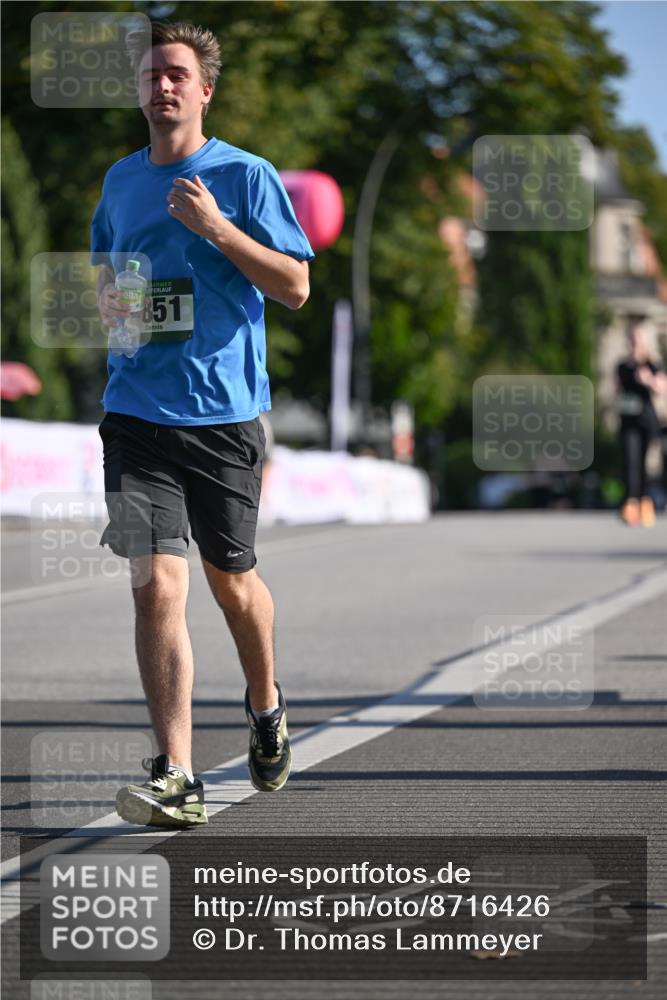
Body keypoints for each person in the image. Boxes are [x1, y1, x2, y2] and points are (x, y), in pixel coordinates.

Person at [91, 20, 314, 827]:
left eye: (178, 74)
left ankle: (264, 704)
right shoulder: (118, 183)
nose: (163, 86)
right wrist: (124, 312)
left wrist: (217, 230)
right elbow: (113, 298)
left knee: (232, 585)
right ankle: (176, 772)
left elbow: (294, 287)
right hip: (134, 413)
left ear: (204, 89)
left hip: (223, 418)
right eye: (152, 74)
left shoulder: (245, 175)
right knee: (155, 582)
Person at [615, 317, 667, 527]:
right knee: (631, 461)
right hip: (628, 420)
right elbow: (615, 390)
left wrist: (648, 380)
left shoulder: (652, 364)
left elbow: (662, 387)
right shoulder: (622, 366)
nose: (635, 344)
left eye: (638, 340)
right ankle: (630, 504)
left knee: (644, 463)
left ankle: (645, 504)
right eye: (632, 340)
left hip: (646, 420)